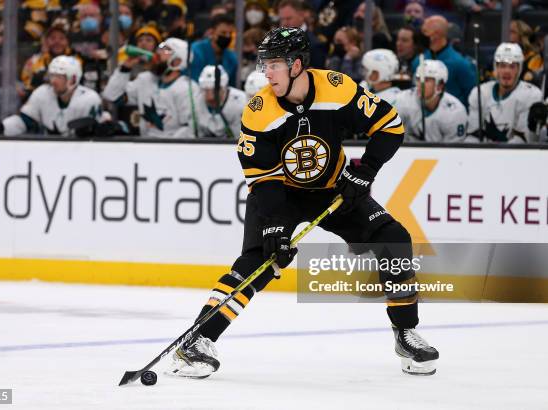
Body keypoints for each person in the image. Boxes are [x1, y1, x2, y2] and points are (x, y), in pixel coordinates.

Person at [168, 27, 439, 379]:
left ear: (297, 65)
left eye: (274, 64)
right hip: (280, 194)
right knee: (257, 261)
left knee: (394, 239)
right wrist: (276, 229)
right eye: (264, 65)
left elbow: (390, 127)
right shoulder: (259, 110)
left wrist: (365, 172)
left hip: (335, 190)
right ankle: (198, 339)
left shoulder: (338, 89)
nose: (266, 73)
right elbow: (263, 181)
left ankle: (406, 333)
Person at [0, 56, 105, 137]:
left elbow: (97, 134)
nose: (53, 81)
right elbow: (24, 122)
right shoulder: (42, 93)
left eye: (59, 76)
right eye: (52, 75)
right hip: (49, 154)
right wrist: (0, 127)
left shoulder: (89, 99)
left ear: (73, 79)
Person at [102, 37, 202, 138]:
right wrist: (125, 69)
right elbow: (112, 96)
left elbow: (190, 130)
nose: (158, 52)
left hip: (172, 149)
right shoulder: (145, 80)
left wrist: (165, 148)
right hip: (145, 147)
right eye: (160, 48)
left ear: (177, 61)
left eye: (166, 49)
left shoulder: (187, 89)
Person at [466, 42, 543, 143]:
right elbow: (472, 136)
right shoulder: (480, 93)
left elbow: (522, 141)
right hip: (483, 155)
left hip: (516, 157)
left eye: (512, 66)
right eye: (502, 66)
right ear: (496, 67)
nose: (507, 71)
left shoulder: (531, 95)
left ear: (519, 69)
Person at [395, 59, 467, 142]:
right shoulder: (402, 100)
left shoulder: (455, 112)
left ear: (440, 85)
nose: (420, 84)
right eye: (418, 79)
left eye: (426, 80)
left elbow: (454, 151)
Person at [412, 15, 475, 107]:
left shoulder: (461, 64)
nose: (421, 35)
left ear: (436, 34)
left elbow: (471, 96)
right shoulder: (417, 62)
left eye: (425, 32)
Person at [196, 65, 246, 138]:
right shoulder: (197, 101)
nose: (210, 96)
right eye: (206, 90)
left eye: (214, 90)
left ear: (223, 87)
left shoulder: (240, 102)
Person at [190, 14, 238, 87]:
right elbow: (194, 81)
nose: (227, 36)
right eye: (223, 33)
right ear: (212, 32)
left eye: (230, 33)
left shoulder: (232, 58)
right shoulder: (196, 51)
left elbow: (231, 86)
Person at [277, 0, 327, 69]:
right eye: (282, 19)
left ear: (301, 16)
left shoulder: (314, 44)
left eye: (288, 18)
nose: (284, 23)